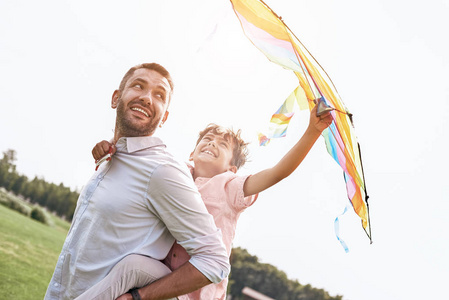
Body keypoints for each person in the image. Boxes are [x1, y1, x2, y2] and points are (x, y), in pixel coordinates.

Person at [91, 103, 333, 299]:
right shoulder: (175, 174)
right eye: (207, 139)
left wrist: (312, 131)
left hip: (195, 291)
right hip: (161, 277)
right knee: (129, 265)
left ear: (232, 167)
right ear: (192, 153)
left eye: (222, 144)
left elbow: (277, 172)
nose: (212, 143)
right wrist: (113, 149)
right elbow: (141, 160)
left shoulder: (231, 186)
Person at [44, 63, 231, 300]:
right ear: (116, 98)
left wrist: (139, 297)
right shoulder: (110, 157)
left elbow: (214, 260)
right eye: (138, 86)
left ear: (164, 117)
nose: (146, 98)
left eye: (159, 95)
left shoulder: (163, 171)